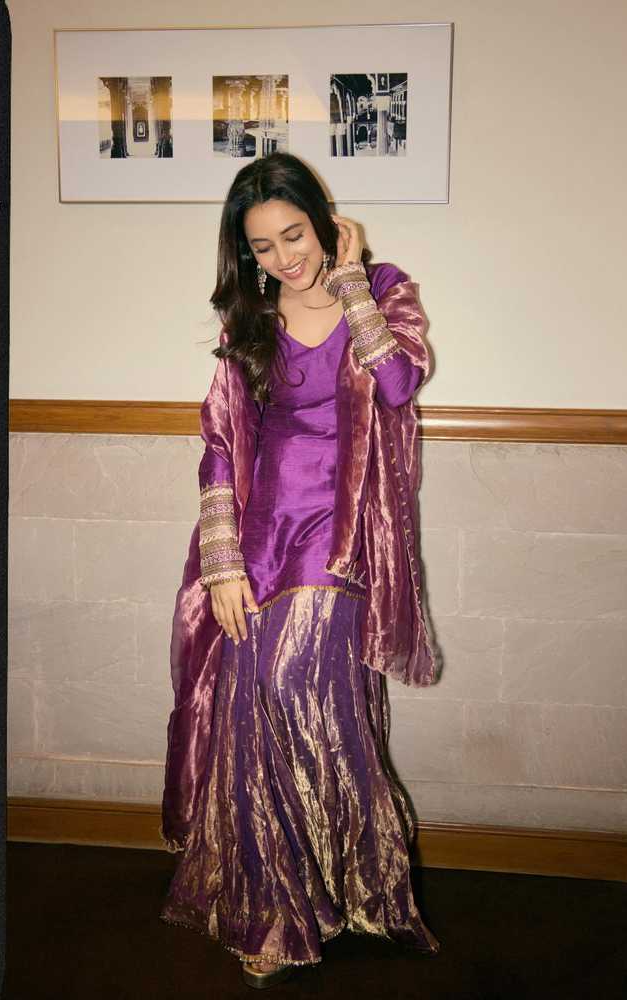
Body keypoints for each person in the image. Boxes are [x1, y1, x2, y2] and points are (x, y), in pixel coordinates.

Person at [158, 151, 441, 989]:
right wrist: (221, 564)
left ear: (323, 221)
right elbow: (221, 443)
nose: (284, 256)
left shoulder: (381, 288)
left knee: (307, 696)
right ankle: (278, 904)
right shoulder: (249, 320)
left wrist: (349, 281)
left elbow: (399, 384)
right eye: (263, 246)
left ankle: (352, 883)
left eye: (294, 234)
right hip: (259, 537)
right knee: (249, 707)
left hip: (344, 535)